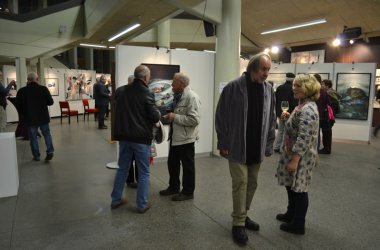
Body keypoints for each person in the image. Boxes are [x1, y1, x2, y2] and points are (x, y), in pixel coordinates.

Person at [215, 53, 276, 246]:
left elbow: (272, 118)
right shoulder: (233, 87)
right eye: (263, 69)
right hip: (236, 146)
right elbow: (221, 116)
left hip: (256, 147)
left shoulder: (269, 90)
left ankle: (244, 214)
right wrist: (223, 142)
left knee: (252, 183)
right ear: (252, 68)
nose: (267, 73)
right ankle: (238, 223)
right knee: (240, 183)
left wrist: (269, 143)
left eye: (268, 69)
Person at [110, 65, 160, 213]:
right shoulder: (147, 93)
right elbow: (155, 116)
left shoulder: (121, 91)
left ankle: (116, 199)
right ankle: (142, 204)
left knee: (122, 169)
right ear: (145, 77)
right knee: (144, 172)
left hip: (124, 137)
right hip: (140, 138)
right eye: (149, 76)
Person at [276, 74, 320, 235]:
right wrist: (288, 118)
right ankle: (291, 213)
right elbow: (299, 127)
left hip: (300, 156)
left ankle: (298, 224)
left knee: (299, 188)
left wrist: (295, 160)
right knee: (291, 186)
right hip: (293, 153)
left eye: (298, 86)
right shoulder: (302, 105)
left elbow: (305, 137)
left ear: (308, 88)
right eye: (294, 85)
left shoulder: (308, 109)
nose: (294, 88)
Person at [159, 73, 201, 202]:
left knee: (188, 166)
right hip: (176, 136)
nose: (171, 84)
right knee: (172, 163)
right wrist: (171, 116)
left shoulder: (192, 97)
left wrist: (174, 117)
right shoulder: (178, 96)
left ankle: (188, 192)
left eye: (174, 82)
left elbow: (194, 120)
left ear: (182, 84)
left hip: (186, 138)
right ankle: (174, 187)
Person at [16, 72, 54, 161]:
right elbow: (50, 102)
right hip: (43, 117)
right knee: (47, 134)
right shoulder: (43, 89)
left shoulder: (22, 91)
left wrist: (24, 112)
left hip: (30, 117)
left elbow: (18, 105)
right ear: (37, 79)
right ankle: (50, 151)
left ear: (28, 80)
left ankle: (36, 156)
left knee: (33, 138)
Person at [274, 72, 297, 153]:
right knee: (286, 131)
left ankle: (276, 146)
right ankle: (282, 148)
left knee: (280, 130)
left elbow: (275, 100)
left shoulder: (279, 88)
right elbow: (293, 102)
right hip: (289, 113)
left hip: (280, 113)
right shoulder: (292, 89)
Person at [125, 75, 138, 189]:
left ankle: (131, 180)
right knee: (136, 158)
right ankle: (136, 180)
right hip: (135, 134)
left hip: (127, 133)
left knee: (129, 159)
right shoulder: (138, 95)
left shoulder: (121, 93)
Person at [314, 74, 331, 154]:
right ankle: (316, 149)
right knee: (318, 133)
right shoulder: (324, 91)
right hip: (321, 115)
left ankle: (315, 149)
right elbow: (328, 103)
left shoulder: (314, 91)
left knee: (315, 133)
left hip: (315, 115)